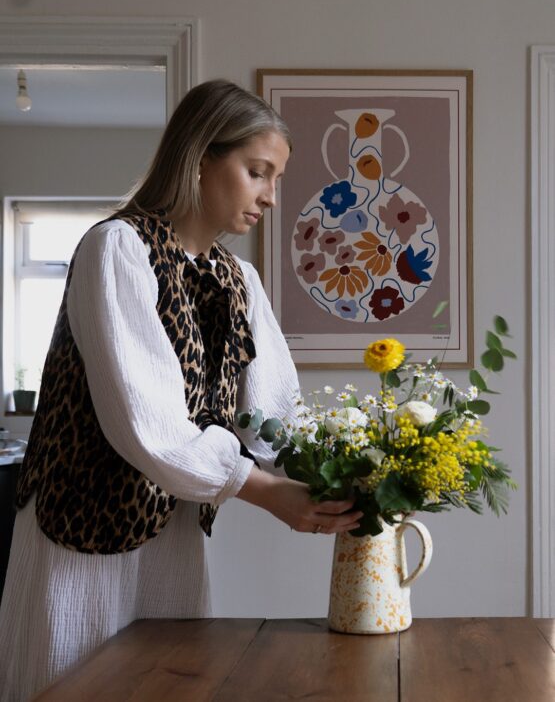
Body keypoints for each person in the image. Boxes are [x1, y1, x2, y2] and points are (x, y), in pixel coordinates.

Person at [0, 79, 362, 702]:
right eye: (258, 172)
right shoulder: (117, 249)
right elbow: (147, 423)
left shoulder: (238, 279)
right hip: (78, 530)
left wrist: (353, 475)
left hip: (171, 538)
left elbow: (273, 418)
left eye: (275, 179)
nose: (271, 197)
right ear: (198, 158)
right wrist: (268, 493)